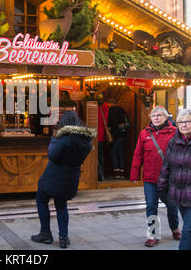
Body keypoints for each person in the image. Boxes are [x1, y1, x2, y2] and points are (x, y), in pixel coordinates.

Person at [31, 110, 96, 248]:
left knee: (41, 200)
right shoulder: (86, 141)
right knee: (61, 205)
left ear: (64, 122)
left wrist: (54, 139)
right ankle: (63, 238)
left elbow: (52, 155)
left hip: (54, 176)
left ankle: (45, 234)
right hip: (71, 178)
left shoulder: (64, 139)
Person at [130, 106, 180, 247]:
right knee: (151, 207)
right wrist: (134, 174)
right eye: (154, 116)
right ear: (150, 118)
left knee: (172, 206)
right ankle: (153, 235)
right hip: (150, 178)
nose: (156, 118)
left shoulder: (175, 132)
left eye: (159, 115)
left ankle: (174, 228)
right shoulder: (144, 134)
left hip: (169, 178)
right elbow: (138, 154)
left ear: (166, 117)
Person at [158, 109, 191, 250]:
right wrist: (162, 188)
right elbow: (167, 166)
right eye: (180, 122)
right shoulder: (174, 142)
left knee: (189, 230)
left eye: (188, 121)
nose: (184, 125)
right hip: (179, 194)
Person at [108, 104, 130, 178]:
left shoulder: (112, 111)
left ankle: (116, 171)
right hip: (123, 135)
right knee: (120, 153)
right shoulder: (122, 112)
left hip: (116, 136)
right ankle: (122, 172)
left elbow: (113, 124)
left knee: (113, 152)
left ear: (110, 103)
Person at [97, 97, 109, 181]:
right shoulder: (105, 109)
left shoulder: (96, 109)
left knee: (95, 157)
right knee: (101, 157)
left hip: (95, 136)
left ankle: (98, 175)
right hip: (101, 136)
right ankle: (102, 175)